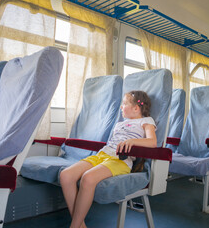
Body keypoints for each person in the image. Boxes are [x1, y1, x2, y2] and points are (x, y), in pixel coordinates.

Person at [60, 90, 157, 228]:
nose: (121, 107)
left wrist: (133, 141)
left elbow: (152, 142)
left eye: (124, 104)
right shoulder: (119, 124)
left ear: (136, 108)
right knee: (66, 175)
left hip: (120, 160)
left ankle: (74, 226)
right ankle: (80, 225)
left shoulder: (146, 121)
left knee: (87, 178)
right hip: (102, 154)